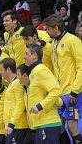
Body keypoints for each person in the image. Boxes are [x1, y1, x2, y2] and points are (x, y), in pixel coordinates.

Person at [43, 14, 82, 143]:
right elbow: (56, 69)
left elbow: (81, 67)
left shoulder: (73, 40)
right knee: (58, 125)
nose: (46, 32)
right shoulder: (54, 43)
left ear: (55, 28)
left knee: (71, 124)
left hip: (72, 91)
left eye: (48, 29)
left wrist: (75, 90)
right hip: (60, 92)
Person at [23, 44, 62, 143]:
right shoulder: (34, 72)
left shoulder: (40, 70)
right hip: (40, 124)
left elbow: (56, 90)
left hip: (48, 123)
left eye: (26, 54)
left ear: (34, 55)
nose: (24, 57)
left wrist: (40, 106)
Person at [0, 58, 28, 143]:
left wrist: (12, 123)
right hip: (12, 126)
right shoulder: (12, 83)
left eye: (1, 69)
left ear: (8, 69)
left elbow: (20, 104)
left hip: (17, 126)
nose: (0, 72)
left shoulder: (17, 83)